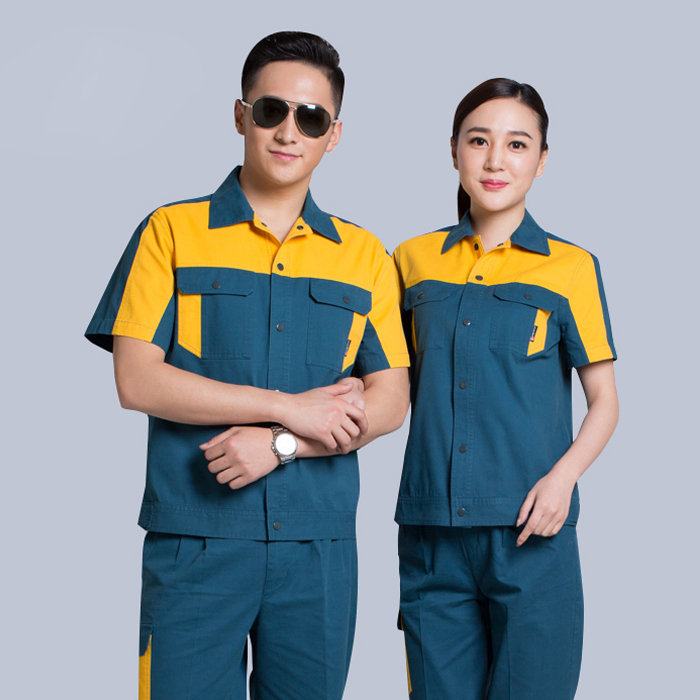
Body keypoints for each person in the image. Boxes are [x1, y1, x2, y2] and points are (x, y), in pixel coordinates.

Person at [85, 31, 409, 700]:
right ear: (241, 116)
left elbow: (391, 400)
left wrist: (283, 444)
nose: (289, 131)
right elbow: (136, 379)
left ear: (333, 135)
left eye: (311, 118)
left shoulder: (365, 258)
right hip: (195, 543)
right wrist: (288, 408)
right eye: (271, 111)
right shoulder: (170, 233)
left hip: (319, 551)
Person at [393, 78, 619, 700]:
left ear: (541, 160)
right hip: (431, 532)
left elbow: (605, 401)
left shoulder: (571, 267)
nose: (496, 160)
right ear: (454, 151)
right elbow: (384, 386)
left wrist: (563, 479)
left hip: (532, 532)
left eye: (517, 144)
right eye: (479, 141)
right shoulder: (410, 261)